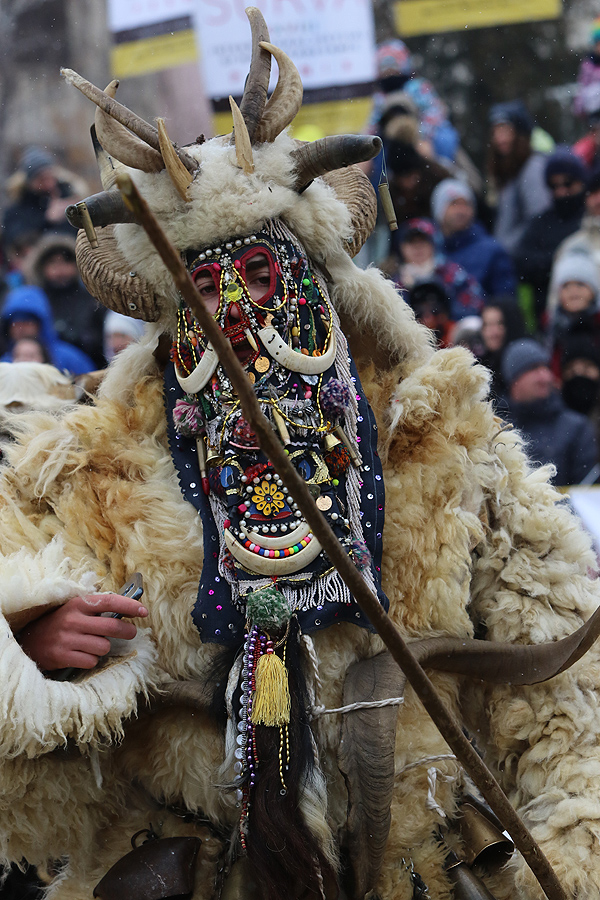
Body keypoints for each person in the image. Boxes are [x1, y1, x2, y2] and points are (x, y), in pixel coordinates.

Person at [4, 19, 600, 900]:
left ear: (320, 287)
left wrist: (570, 860)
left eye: (260, 277)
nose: (239, 318)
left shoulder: (441, 441)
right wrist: (28, 647)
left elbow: (566, 697)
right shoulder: (90, 473)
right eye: (206, 290)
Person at [500, 338, 598, 485]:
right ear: (515, 379)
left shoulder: (576, 427)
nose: (544, 377)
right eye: (533, 368)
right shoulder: (496, 428)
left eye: (546, 368)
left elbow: (586, 491)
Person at [513, 147, 587, 319]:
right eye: (554, 185)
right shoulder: (542, 222)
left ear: (580, 182)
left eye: (568, 183)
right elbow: (521, 262)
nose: (561, 191)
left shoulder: (589, 219)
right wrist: (557, 260)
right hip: (549, 316)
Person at [24, 235, 105, 368]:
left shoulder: (92, 298)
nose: (60, 268)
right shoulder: (37, 300)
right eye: (53, 262)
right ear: (42, 268)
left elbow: (100, 341)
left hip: (90, 367)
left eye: (66, 261)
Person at [431, 178, 517, 298]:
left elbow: (506, 300)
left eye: (466, 204)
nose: (461, 211)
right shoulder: (425, 247)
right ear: (439, 210)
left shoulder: (492, 250)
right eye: (453, 204)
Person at [487, 100, 552, 254]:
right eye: (496, 132)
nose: (500, 139)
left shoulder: (532, 168)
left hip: (526, 258)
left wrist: (505, 249)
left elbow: (538, 219)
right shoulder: (510, 170)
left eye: (506, 131)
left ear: (520, 134)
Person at [389, 217, 484, 320]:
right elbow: (392, 318)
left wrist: (444, 308)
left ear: (433, 245)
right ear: (402, 247)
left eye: (423, 242)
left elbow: (476, 306)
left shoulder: (453, 274)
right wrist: (408, 292)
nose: (417, 248)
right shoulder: (395, 283)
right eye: (411, 242)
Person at [2, 147, 86, 251]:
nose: (48, 183)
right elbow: (16, 242)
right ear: (29, 182)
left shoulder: (70, 196)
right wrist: (47, 220)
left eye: (49, 176)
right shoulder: (17, 209)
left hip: (72, 260)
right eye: (41, 179)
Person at [0, 285, 94, 375]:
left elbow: (90, 386)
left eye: (27, 323)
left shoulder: (69, 359)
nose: (20, 329)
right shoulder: (5, 364)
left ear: (42, 324)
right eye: (15, 324)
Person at [477, 298, 526, 403]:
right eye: (487, 325)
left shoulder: (525, 363)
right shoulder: (479, 368)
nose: (492, 333)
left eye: (499, 324)